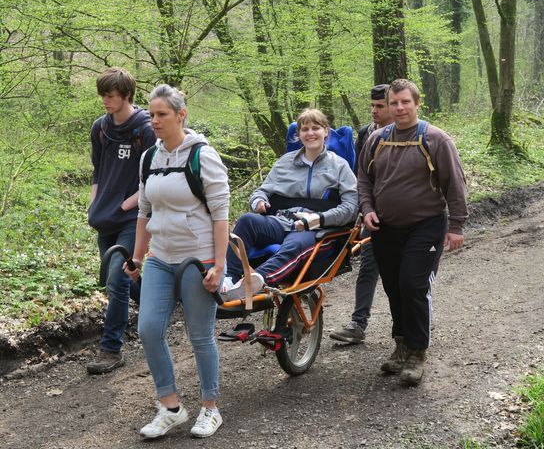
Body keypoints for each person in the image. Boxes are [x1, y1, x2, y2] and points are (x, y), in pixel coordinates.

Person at [124, 84, 229, 439]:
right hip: (160, 257)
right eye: (151, 114)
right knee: (149, 329)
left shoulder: (203, 155)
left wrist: (218, 263)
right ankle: (170, 407)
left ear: (180, 115)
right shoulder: (149, 157)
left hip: (197, 259)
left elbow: (220, 216)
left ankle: (210, 408)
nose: (154, 121)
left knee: (200, 336)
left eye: (161, 115)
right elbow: (143, 212)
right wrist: (138, 256)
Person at [358, 79, 468, 386]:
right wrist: (367, 208)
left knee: (413, 284)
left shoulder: (436, 140)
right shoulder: (377, 139)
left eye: (405, 102)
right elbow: (364, 179)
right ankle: (402, 343)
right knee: (394, 287)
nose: (399, 108)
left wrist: (457, 225)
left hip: (426, 225)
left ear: (417, 104)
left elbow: (455, 184)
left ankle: (418, 352)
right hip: (385, 228)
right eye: (394, 103)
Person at [222, 108, 358, 297]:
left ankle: (256, 281)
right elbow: (261, 191)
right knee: (247, 221)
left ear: (326, 132)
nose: (310, 133)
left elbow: (351, 207)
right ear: (299, 134)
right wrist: (258, 201)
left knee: (294, 245)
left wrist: (318, 219)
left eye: (316, 128)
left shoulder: (339, 166)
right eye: (305, 129)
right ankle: (230, 277)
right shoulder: (285, 162)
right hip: (282, 221)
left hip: (315, 229)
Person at [87, 67, 156, 375]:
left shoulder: (146, 128)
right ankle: (159, 306)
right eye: (102, 94)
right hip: (104, 217)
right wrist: (94, 203)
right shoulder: (100, 128)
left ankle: (110, 349)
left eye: (111, 95)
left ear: (126, 95)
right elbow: (97, 170)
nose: (105, 100)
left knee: (116, 279)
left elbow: (154, 178)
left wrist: (123, 204)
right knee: (124, 277)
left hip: (133, 216)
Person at [330, 84, 392, 344]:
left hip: (404, 214)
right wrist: (358, 209)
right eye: (372, 106)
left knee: (404, 274)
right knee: (368, 267)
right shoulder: (365, 133)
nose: (374, 111)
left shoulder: (411, 134)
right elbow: (359, 175)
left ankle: (415, 324)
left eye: (380, 106)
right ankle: (358, 324)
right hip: (371, 213)